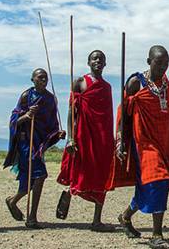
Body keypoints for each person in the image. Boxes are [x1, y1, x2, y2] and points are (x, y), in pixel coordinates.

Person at [113, 46, 169, 249]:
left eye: (166, 63)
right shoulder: (136, 82)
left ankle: (125, 216)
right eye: (159, 62)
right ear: (148, 61)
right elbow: (123, 112)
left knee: (147, 185)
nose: (163, 67)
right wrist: (120, 140)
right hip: (143, 143)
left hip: (163, 142)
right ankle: (157, 234)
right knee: (158, 179)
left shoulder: (168, 86)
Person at [56, 50, 115, 231]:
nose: (98, 61)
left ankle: (97, 220)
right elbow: (71, 111)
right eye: (94, 58)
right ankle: (69, 192)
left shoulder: (107, 87)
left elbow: (107, 115)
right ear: (89, 62)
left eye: (101, 59)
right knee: (80, 168)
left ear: (105, 64)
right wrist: (71, 138)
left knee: (102, 174)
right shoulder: (80, 82)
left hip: (103, 137)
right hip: (83, 134)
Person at [3, 68, 64, 228]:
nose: (43, 80)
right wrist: (27, 115)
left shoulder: (51, 99)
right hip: (26, 143)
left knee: (31, 181)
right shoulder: (26, 96)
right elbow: (14, 120)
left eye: (45, 78)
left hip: (39, 144)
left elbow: (52, 124)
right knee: (40, 175)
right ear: (33, 79)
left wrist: (58, 134)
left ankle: (13, 200)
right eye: (40, 77)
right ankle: (32, 218)